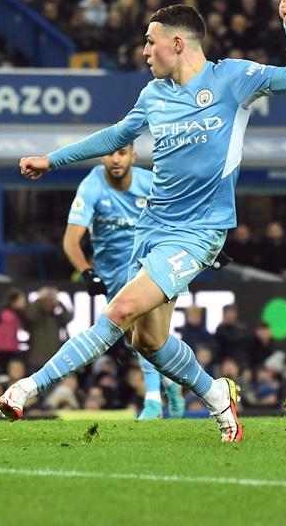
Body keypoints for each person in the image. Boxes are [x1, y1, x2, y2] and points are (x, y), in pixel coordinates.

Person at [0, 0, 286, 442]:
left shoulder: (234, 79)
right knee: (145, 341)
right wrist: (52, 159)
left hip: (199, 231)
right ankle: (216, 396)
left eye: (151, 41)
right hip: (151, 230)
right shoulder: (153, 94)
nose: (145, 51)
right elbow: (114, 137)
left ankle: (26, 388)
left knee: (120, 309)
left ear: (178, 43)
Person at [63, 143, 183, 420]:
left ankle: (153, 402)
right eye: (110, 153)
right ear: (102, 155)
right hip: (112, 272)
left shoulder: (150, 182)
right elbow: (71, 240)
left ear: (132, 156)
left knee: (141, 332)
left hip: (149, 264)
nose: (115, 159)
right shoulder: (91, 186)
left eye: (121, 153)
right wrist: (87, 271)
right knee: (143, 339)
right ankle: (172, 383)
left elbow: (177, 215)